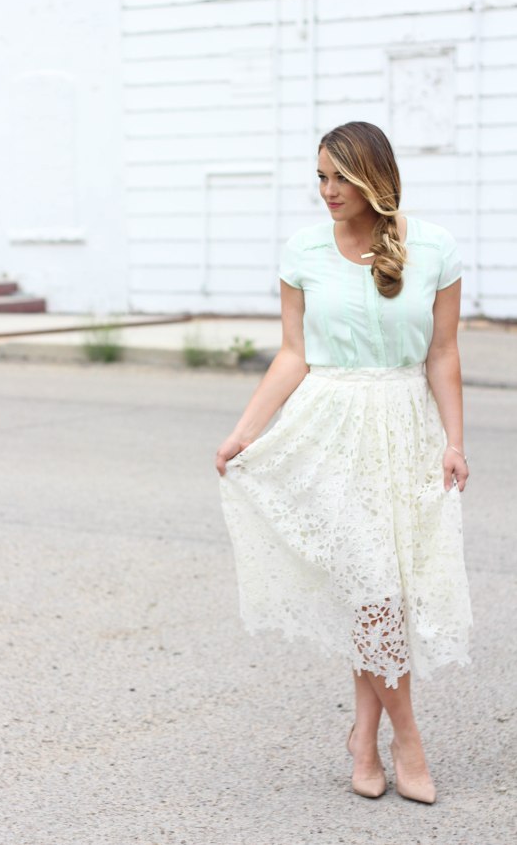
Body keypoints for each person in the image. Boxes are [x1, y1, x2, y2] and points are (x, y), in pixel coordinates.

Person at [216, 121, 473, 804]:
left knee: (385, 589)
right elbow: (293, 352)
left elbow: (442, 353)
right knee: (374, 586)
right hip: (329, 429)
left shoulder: (436, 248)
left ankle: (363, 737)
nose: (327, 191)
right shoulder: (302, 250)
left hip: (407, 428)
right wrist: (246, 431)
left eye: (340, 177)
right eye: (320, 177)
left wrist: (454, 441)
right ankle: (408, 739)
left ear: (373, 179)